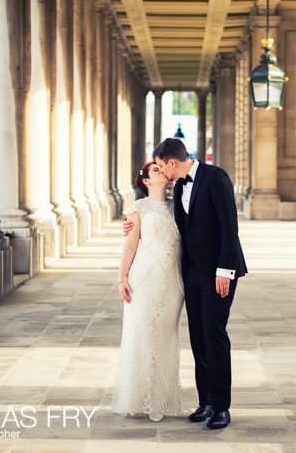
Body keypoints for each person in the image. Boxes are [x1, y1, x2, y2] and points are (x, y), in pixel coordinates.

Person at [124, 138, 248, 429]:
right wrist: (132, 224)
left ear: (171, 163)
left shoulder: (216, 178)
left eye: (161, 165)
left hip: (219, 273)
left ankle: (221, 407)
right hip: (191, 274)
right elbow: (173, 227)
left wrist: (225, 270)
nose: (162, 173)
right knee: (198, 338)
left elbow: (229, 227)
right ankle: (205, 401)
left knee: (214, 335)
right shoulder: (178, 187)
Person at [111, 161, 185, 423]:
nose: (161, 171)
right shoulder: (137, 208)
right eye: (154, 170)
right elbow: (130, 246)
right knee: (141, 331)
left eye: (161, 168)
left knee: (166, 335)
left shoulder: (179, 206)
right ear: (145, 181)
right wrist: (121, 278)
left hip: (173, 281)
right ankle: (137, 396)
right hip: (144, 277)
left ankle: (161, 398)